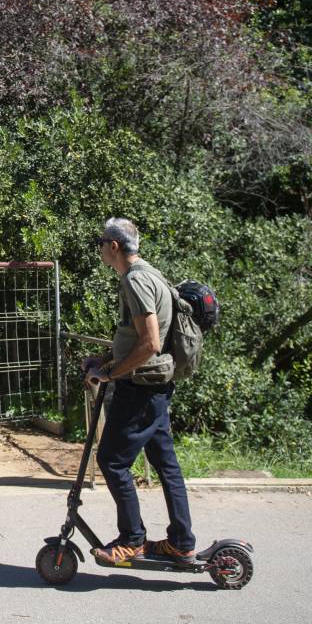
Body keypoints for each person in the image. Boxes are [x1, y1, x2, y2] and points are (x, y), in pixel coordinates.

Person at [81, 217, 196, 564]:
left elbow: (150, 343)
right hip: (154, 386)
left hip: (140, 387)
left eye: (101, 243)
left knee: (111, 461)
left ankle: (132, 539)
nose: (100, 248)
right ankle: (181, 542)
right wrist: (104, 359)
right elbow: (135, 338)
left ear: (114, 246)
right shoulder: (150, 274)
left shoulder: (135, 280)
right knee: (166, 465)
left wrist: (109, 374)